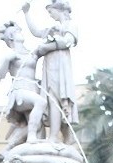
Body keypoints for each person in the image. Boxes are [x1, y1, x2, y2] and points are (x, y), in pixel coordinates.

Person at [22, 0, 78, 144]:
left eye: (50, 11)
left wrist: (47, 47)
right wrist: (26, 13)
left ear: (58, 9)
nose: (50, 15)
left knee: (60, 99)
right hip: (50, 66)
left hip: (61, 66)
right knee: (51, 98)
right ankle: (53, 136)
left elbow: (68, 41)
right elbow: (35, 31)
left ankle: (62, 136)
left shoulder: (70, 25)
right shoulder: (50, 29)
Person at [0, 21, 46, 149]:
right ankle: (31, 137)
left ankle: (9, 147)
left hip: (33, 89)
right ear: (12, 37)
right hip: (19, 92)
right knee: (40, 102)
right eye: (18, 32)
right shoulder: (11, 55)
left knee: (38, 125)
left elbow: (46, 47)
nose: (21, 33)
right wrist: (7, 60)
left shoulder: (32, 53)